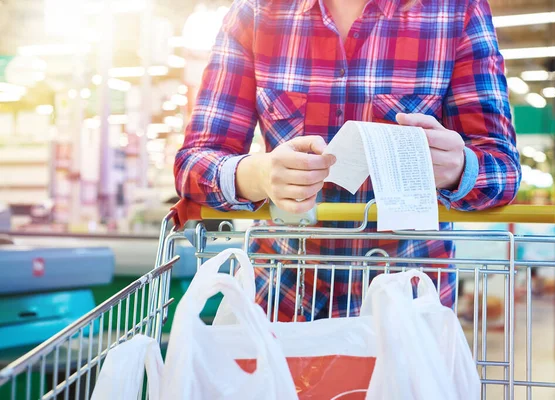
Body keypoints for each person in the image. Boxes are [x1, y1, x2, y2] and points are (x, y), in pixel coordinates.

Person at [175, 0, 521, 321]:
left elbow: (502, 168)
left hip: (406, 305)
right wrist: (259, 174)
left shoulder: (455, 12)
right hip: (281, 299)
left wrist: (458, 168)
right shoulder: (255, 13)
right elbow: (193, 163)